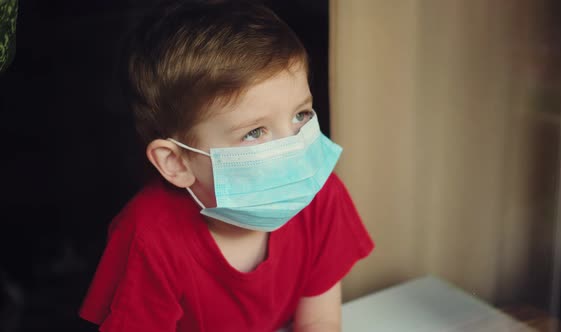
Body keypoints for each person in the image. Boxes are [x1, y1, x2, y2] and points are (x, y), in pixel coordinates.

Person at [78, 1, 374, 331]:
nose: (293, 148)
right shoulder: (147, 238)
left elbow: (320, 320)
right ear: (176, 162)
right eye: (254, 132)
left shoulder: (319, 196)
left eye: (300, 115)